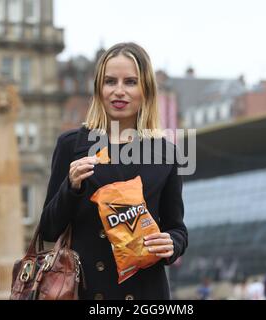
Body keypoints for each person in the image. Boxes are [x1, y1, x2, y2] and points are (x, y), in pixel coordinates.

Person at [39, 42, 188, 300]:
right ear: (99, 89)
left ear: (146, 90)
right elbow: (48, 230)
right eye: (110, 81)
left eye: (130, 82)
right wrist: (71, 187)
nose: (119, 91)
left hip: (146, 293)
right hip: (87, 290)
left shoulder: (166, 152)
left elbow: (177, 227)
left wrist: (172, 244)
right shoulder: (71, 145)